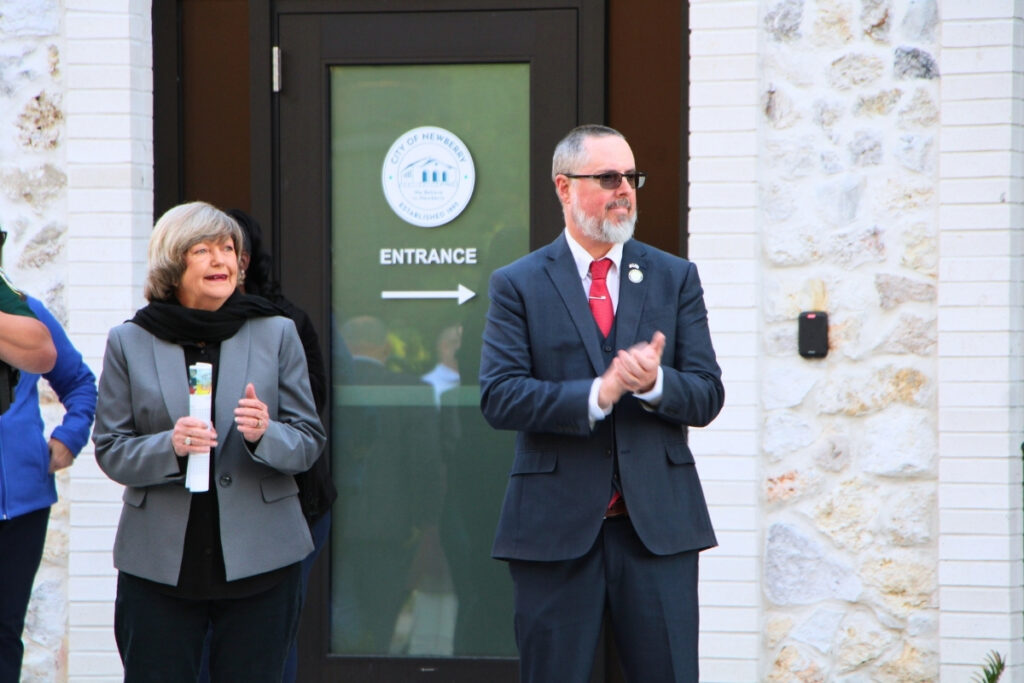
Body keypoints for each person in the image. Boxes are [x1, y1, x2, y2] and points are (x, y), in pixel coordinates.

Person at [479, 125, 725, 683]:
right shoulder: (517, 284)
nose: (625, 190)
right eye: (609, 177)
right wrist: (597, 394)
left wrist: (655, 384)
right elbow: (500, 396)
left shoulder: (674, 277)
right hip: (554, 532)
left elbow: (707, 392)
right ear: (564, 187)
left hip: (657, 531)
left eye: (631, 177)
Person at [92, 201, 326, 682]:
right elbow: (111, 449)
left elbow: (308, 441)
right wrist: (169, 446)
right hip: (159, 565)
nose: (221, 260)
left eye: (228, 248)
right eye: (202, 250)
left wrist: (266, 434)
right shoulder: (129, 341)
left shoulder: (277, 332)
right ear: (172, 263)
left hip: (262, 560)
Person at [0, 255, 92, 683]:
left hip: (22, 507)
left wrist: (69, 437)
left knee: (5, 632)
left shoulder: (27, 313)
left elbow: (78, 381)